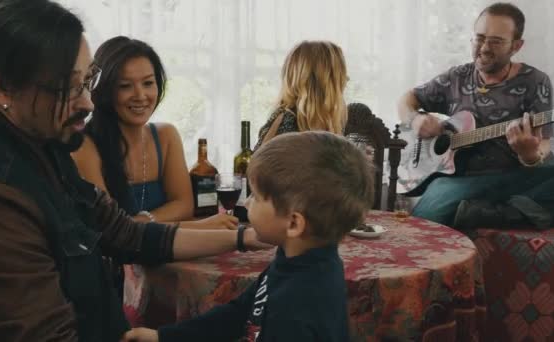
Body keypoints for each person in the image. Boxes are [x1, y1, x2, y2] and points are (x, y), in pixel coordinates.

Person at [0, 1, 267, 341]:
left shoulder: (44, 141)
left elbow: (127, 234)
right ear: (1, 88)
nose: (86, 102)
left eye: (87, 82)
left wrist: (244, 238)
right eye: (68, 88)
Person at [121, 131, 375, 342]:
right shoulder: (296, 260)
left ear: (294, 223)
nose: (249, 202)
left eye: (256, 196)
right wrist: (163, 337)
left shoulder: (297, 308)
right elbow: (239, 313)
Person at [397, 2, 554, 229]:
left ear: (516, 46)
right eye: (480, 37)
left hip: (513, 178)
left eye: (496, 41)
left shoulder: (535, 81)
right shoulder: (456, 77)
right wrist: (415, 119)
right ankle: (512, 212)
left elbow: (542, 145)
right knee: (424, 224)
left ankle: (495, 214)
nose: (484, 47)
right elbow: (406, 100)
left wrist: (529, 155)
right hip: (457, 182)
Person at [72, 36, 237, 229]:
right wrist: (201, 226)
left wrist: (144, 220)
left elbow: (184, 206)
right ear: (104, 90)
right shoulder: (83, 146)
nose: (141, 96)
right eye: (125, 86)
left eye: (148, 83)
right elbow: (110, 230)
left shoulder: (166, 136)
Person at [254, 40, 348, 149]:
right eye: (339, 76)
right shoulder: (289, 127)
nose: (346, 80)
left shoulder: (293, 120)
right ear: (325, 82)